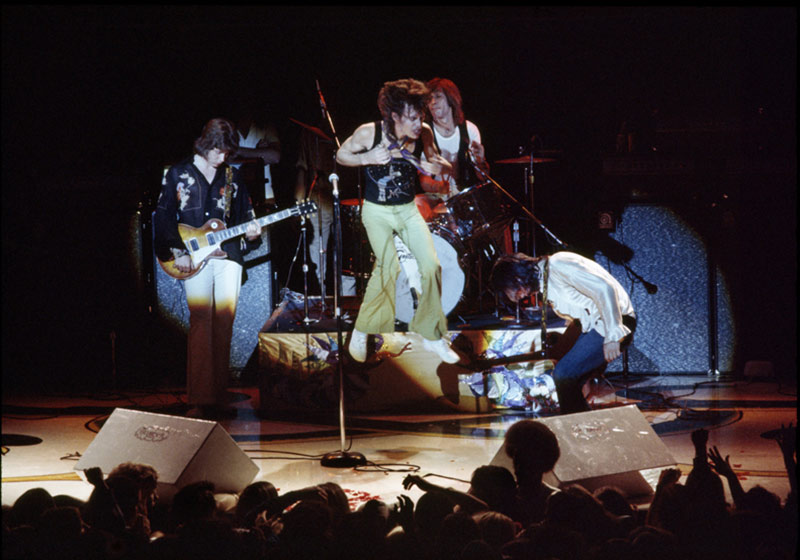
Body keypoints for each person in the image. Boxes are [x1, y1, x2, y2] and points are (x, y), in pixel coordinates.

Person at [335, 78, 458, 364]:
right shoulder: (369, 133)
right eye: (413, 118)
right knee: (389, 265)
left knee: (431, 265)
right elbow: (341, 155)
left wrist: (435, 166)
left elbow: (442, 164)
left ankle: (431, 333)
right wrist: (367, 158)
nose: (419, 123)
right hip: (377, 211)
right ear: (395, 116)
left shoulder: (423, 133)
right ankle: (362, 331)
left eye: (421, 116)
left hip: (406, 209)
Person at [153, 118, 262, 419]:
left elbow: (244, 216)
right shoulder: (178, 173)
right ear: (206, 145)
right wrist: (177, 250)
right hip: (192, 256)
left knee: (224, 323)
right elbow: (163, 217)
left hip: (227, 256)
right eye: (219, 151)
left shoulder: (232, 176)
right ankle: (200, 398)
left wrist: (253, 232)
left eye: (227, 152)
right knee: (201, 322)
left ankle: (219, 395)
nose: (223, 157)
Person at [489, 251, 636, 414]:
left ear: (516, 278)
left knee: (563, 374)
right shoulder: (546, 281)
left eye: (516, 291)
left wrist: (612, 335)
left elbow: (604, 289)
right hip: (596, 325)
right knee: (568, 378)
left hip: (614, 322)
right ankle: (581, 422)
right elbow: (581, 312)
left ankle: (574, 425)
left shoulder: (558, 264)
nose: (522, 296)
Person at [294, 123, 356, 297]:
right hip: (319, 198)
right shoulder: (309, 135)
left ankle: (348, 300)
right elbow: (302, 168)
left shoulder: (348, 131)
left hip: (347, 200)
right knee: (317, 255)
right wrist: (299, 203)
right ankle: (318, 300)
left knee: (347, 256)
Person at [417, 77, 490, 219]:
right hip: (435, 196)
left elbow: (483, 176)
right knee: (417, 205)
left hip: (465, 195)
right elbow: (423, 179)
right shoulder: (425, 133)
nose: (433, 102)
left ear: (451, 99)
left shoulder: (469, 130)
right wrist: (438, 187)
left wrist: (481, 161)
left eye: (438, 97)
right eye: (429, 99)